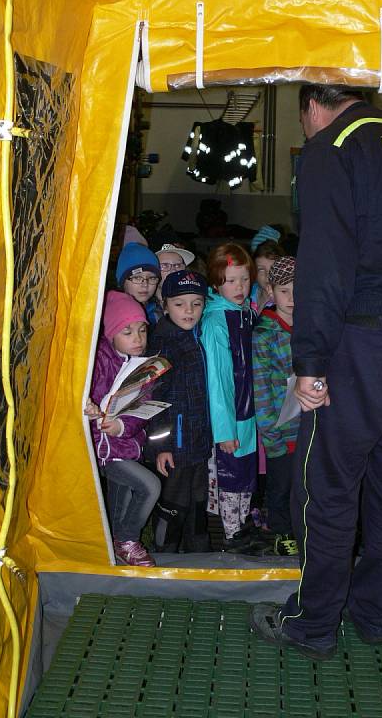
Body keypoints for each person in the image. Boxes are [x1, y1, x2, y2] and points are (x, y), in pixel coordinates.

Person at [250, 84, 382, 659]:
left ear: (312, 106)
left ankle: (313, 623)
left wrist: (311, 363)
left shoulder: (331, 146)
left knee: (327, 487)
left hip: (366, 345)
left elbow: (323, 264)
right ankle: (374, 614)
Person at [85, 291, 161, 566]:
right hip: (102, 447)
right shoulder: (99, 361)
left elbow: (143, 407)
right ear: (111, 334)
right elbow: (85, 394)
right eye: (127, 332)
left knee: (121, 495)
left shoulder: (143, 366)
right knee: (149, 486)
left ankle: (118, 544)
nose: (138, 339)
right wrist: (90, 409)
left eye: (142, 330)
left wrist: (121, 426)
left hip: (123, 444)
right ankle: (128, 539)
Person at [146, 270, 212, 553]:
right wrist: (162, 446)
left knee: (198, 500)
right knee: (173, 504)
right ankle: (165, 556)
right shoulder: (162, 344)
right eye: (180, 304)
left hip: (198, 441)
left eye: (196, 303)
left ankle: (200, 553)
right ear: (165, 305)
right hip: (175, 444)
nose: (189, 311)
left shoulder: (197, 337)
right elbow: (153, 400)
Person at [200, 243, 258, 546]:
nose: (240, 287)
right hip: (231, 416)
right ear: (215, 283)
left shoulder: (244, 312)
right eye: (231, 281)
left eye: (245, 279)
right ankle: (232, 536)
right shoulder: (216, 322)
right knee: (231, 475)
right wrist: (224, 430)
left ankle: (242, 526)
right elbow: (218, 382)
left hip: (246, 412)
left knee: (245, 473)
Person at [252, 256, 300, 555]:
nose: (292, 299)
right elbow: (261, 389)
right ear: (271, 291)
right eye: (284, 291)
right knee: (281, 486)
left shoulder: (314, 327)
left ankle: (305, 529)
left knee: (306, 485)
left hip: (310, 425)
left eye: (299, 289)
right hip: (281, 430)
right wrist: (271, 435)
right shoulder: (264, 334)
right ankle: (283, 533)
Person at [116, 242, 162, 325]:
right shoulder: (111, 317)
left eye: (152, 278)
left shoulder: (159, 314)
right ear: (122, 282)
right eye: (137, 278)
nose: (145, 284)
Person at [154, 243, 196, 310]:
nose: (173, 271)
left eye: (178, 265)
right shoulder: (145, 306)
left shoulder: (196, 300)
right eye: (165, 265)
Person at [250, 238, 285, 315]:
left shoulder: (285, 302)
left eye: (273, 268)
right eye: (261, 269)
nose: (268, 275)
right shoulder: (248, 292)